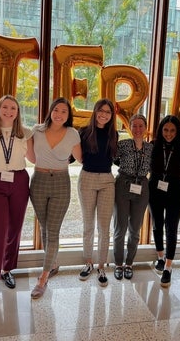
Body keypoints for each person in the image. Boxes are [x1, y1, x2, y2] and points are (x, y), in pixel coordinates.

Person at [26, 97, 82, 299]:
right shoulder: (37, 130)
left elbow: (80, 158)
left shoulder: (73, 134)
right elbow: (31, 158)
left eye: (64, 112)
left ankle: (43, 278)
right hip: (39, 181)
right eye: (56, 110)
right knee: (43, 225)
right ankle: (53, 263)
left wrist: (61, 159)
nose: (59, 114)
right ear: (50, 111)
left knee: (53, 229)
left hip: (60, 182)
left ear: (68, 116)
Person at [0, 95, 33, 299]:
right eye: (5, 107)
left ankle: (7, 270)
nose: (9, 111)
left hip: (19, 181)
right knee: (1, 232)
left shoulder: (25, 133)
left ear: (18, 111)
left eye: (13, 107)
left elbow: (34, 158)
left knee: (15, 230)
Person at [78, 99, 118, 287]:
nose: (104, 114)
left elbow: (115, 158)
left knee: (104, 226)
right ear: (95, 111)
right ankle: (88, 263)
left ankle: (101, 266)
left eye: (108, 112)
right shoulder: (84, 132)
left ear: (112, 116)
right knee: (88, 224)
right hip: (87, 178)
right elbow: (75, 156)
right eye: (101, 111)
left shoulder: (113, 134)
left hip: (107, 181)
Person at [112, 114, 153, 280]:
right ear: (129, 127)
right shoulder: (122, 145)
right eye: (134, 126)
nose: (137, 129)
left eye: (140, 126)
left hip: (142, 186)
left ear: (145, 127)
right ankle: (118, 264)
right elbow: (115, 160)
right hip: (123, 184)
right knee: (120, 228)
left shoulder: (150, 148)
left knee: (135, 229)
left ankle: (129, 263)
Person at [149, 115, 180, 288]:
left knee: (171, 227)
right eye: (165, 130)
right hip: (155, 188)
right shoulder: (153, 145)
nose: (169, 134)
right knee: (157, 224)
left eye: (172, 130)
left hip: (176, 190)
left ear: (177, 131)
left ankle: (168, 267)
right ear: (160, 130)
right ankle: (160, 257)